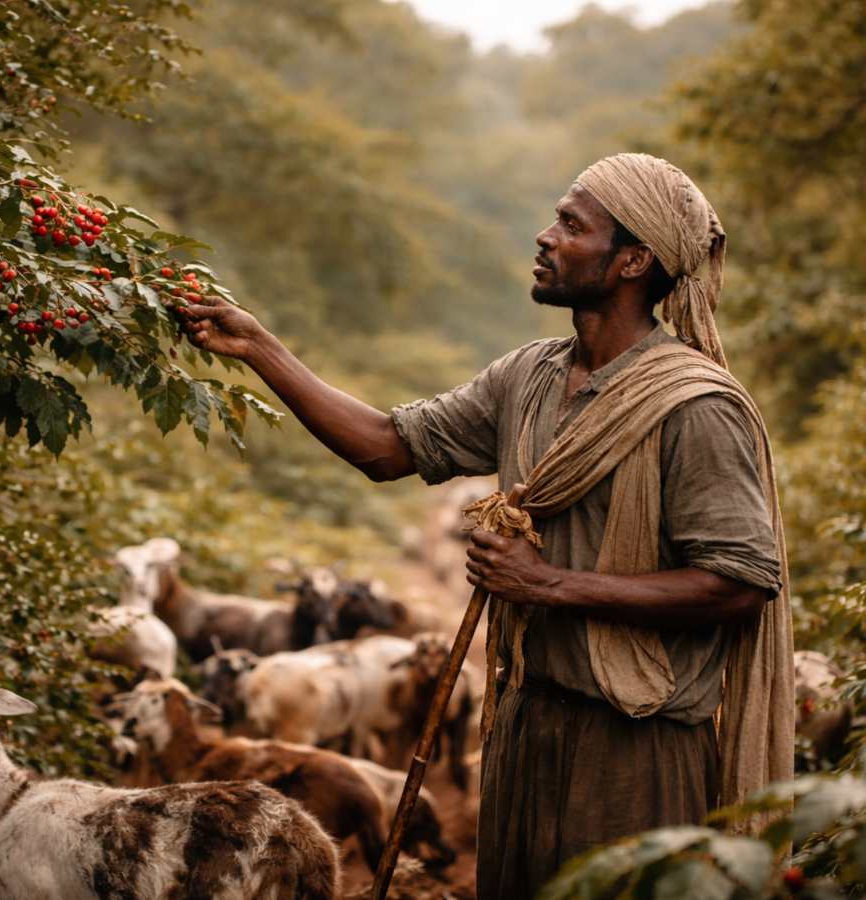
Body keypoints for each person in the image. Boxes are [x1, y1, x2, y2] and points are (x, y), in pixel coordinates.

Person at [180, 153, 794, 899]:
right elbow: (385, 447)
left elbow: (738, 584)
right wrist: (259, 348)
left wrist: (548, 584)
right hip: (524, 723)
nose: (544, 237)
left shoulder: (697, 407)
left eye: (571, 224)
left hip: (637, 745)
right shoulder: (527, 377)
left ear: (633, 260)